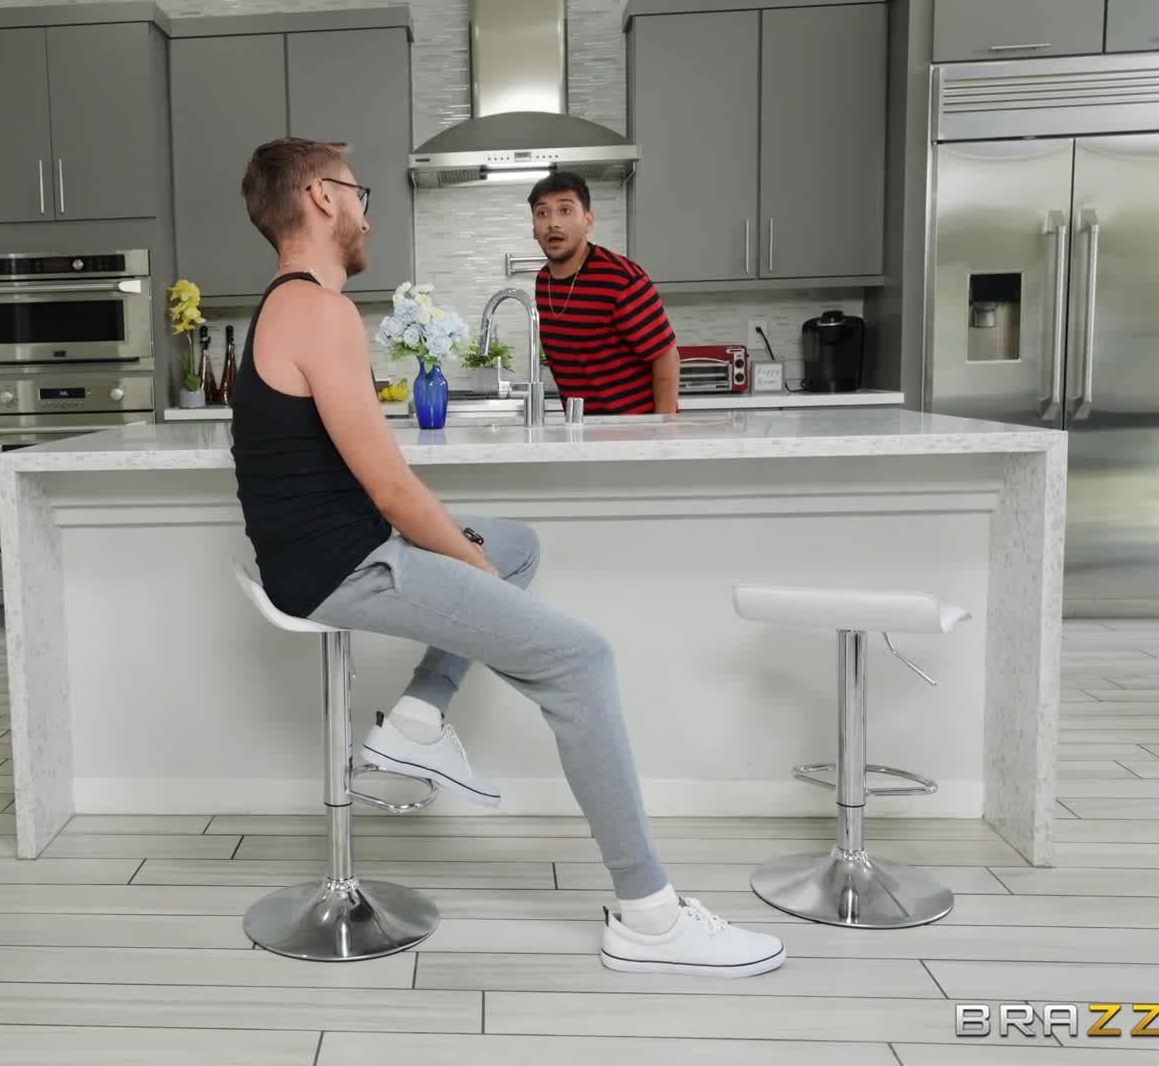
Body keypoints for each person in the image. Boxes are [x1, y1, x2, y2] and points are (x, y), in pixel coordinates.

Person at [227, 137, 785, 977]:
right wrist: (468, 566)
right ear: (320, 198)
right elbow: (392, 490)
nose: (367, 212)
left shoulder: (289, 304)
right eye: (358, 192)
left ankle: (417, 719)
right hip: (342, 566)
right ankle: (651, 918)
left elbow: (371, 485)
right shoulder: (319, 310)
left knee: (516, 542)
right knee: (580, 658)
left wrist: (474, 554)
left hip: (331, 550)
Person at [529, 171, 680, 415]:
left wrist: (663, 430)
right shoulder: (544, 282)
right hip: (582, 429)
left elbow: (665, 357)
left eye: (565, 210)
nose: (553, 223)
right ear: (534, 229)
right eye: (542, 213)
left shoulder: (622, 278)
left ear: (588, 221)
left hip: (636, 430)